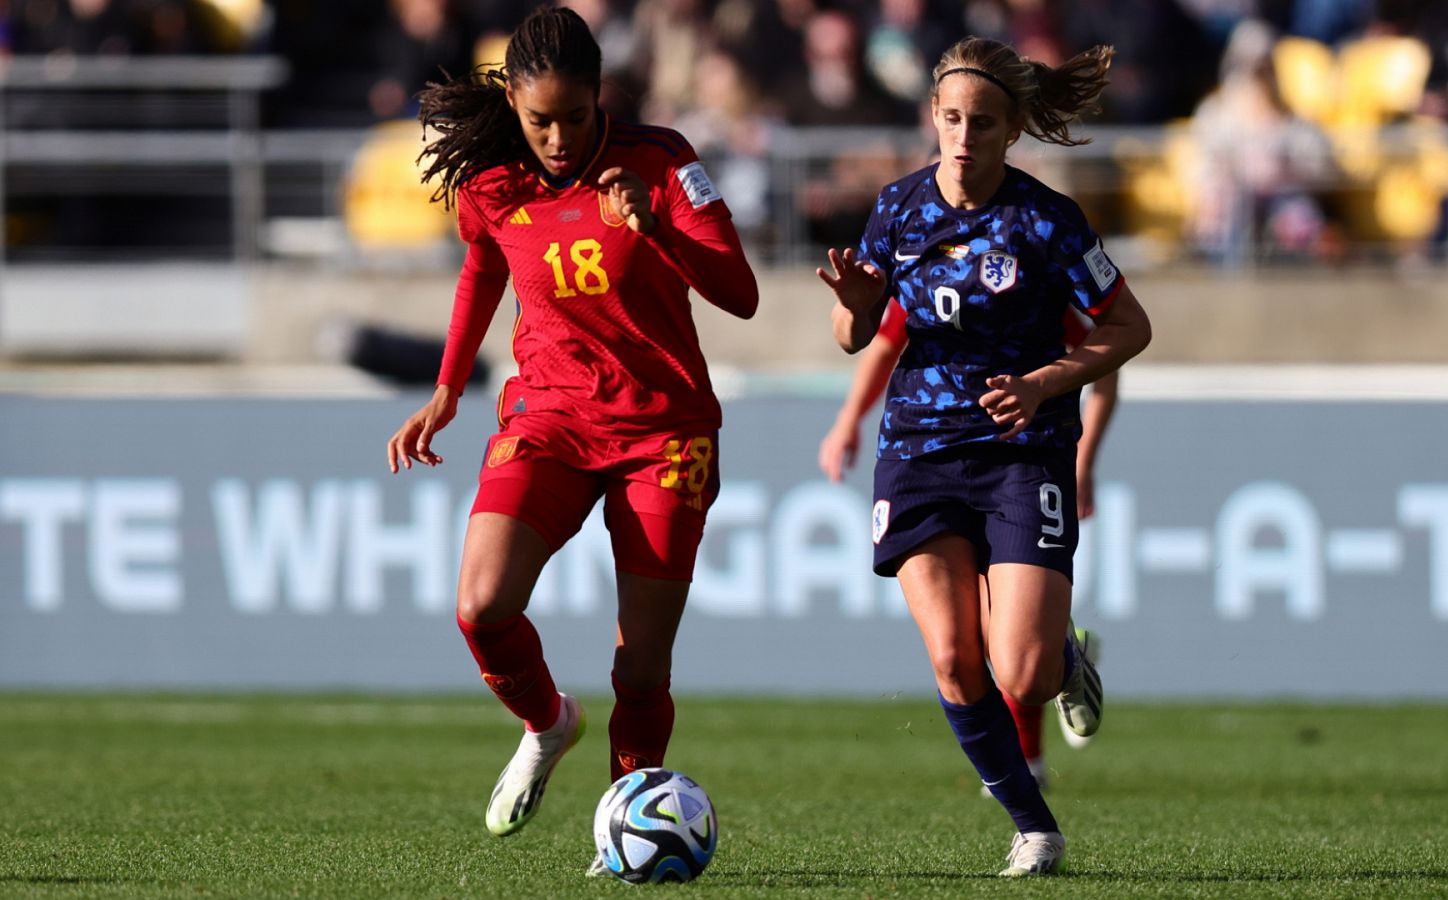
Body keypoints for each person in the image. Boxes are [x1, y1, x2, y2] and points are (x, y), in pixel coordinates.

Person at [384, 5, 758, 867]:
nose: (557, 138)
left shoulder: (663, 164)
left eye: (575, 118)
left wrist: (655, 227)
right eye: (538, 119)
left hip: (663, 431)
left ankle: (624, 833)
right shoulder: (490, 181)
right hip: (549, 416)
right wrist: (446, 389)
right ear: (512, 101)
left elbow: (740, 293)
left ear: (603, 98)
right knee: (480, 605)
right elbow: (484, 263)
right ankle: (548, 723)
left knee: (639, 668)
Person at [817, 36, 1151, 877]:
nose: (965, 138)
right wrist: (856, 311)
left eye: (985, 123)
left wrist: (1042, 384)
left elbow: (1129, 327)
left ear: (1013, 132)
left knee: (1025, 674)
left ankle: (1066, 658)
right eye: (954, 119)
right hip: (920, 450)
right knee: (956, 660)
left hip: (1020, 450)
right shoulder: (897, 209)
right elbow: (855, 333)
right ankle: (1033, 826)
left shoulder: (1048, 220)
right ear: (933, 116)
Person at [816, 296, 1120, 788]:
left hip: (1019, 461)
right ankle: (1032, 755)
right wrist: (848, 419)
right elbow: (883, 345)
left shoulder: (1026, 274)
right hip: (940, 459)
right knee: (982, 635)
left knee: (1009, 638)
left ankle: (1049, 696)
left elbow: (1104, 358)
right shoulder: (930, 264)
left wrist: (1085, 458)